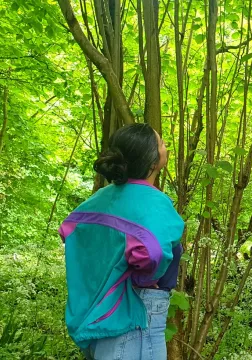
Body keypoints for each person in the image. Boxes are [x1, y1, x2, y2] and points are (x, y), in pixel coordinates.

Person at [58, 123, 184, 360]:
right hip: (136, 314)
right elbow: (152, 253)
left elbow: (69, 230)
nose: (166, 147)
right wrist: (144, 279)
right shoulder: (154, 202)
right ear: (152, 161)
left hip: (97, 313)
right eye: (162, 143)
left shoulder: (101, 197)